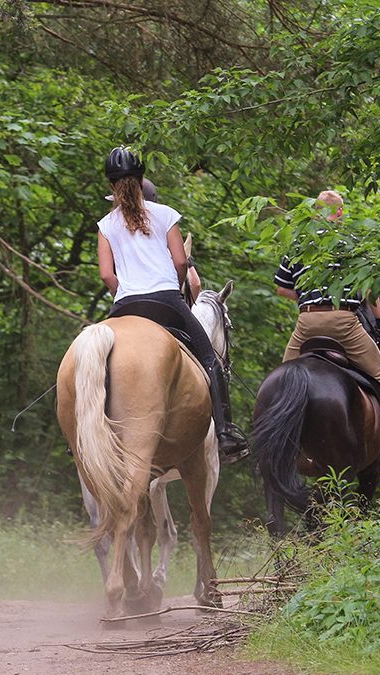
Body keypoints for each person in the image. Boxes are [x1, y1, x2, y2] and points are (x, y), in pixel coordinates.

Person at [96, 146, 249, 463]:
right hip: (166, 300)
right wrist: (173, 283)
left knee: (97, 359)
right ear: (141, 179)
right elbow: (181, 262)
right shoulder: (165, 215)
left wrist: (124, 293)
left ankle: (89, 428)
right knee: (209, 357)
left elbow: (106, 275)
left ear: (112, 185)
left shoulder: (105, 225)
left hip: (126, 304)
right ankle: (224, 433)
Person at [274, 189, 380, 444]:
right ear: (340, 212)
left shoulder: (301, 244)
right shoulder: (353, 242)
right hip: (344, 323)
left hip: (307, 324)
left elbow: (282, 288)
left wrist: (306, 298)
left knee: (282, 379)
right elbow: (370, 291)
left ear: (315, 212)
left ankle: (274, 445)